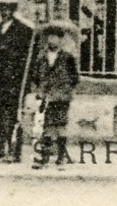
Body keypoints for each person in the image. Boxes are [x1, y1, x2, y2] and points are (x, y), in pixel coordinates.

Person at [0, 0, 35, 163]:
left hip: (14, 81)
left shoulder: (24, 30)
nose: (4, 12)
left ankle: (14, 151)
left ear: (13, 10)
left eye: (7, 9)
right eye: (1, 9)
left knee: (13, 116)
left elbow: (27, 59)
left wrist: (25, 82)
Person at [29, 22, 80, 169]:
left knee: (60, 126)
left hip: (61, 96)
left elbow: (74, 78)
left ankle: (61, 158)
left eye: (56, 38)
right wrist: (41, 91)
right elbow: (35, 76)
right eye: (50, 37)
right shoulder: (41, 58)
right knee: (45, 127)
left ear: (61, 40)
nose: (53, 40)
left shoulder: (68, 58)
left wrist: (65, 90)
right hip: (45, 96)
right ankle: (43, 157)